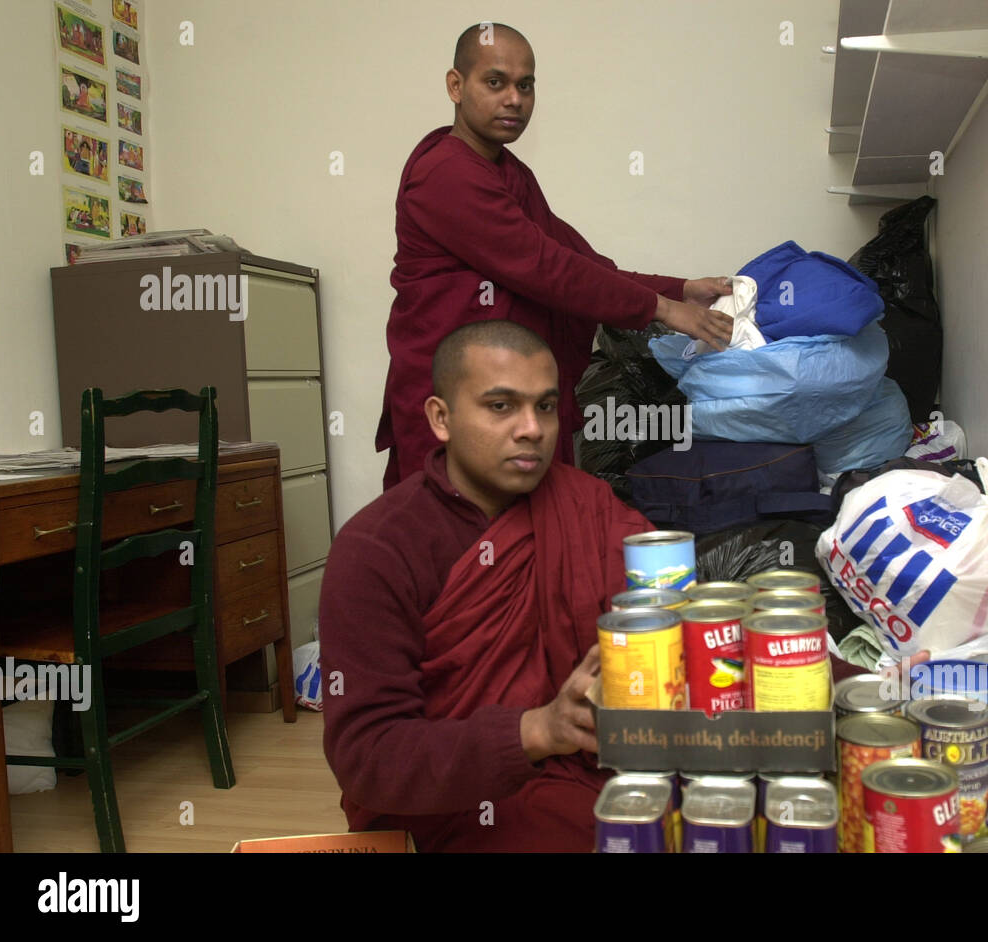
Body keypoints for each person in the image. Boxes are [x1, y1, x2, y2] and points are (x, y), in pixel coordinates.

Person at [322, 321, 865, 852]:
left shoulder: (586, 504)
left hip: (611, 762)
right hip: (467, 800)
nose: (532, 428)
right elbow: (367, 754)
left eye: (545, 406)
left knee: (779, 808)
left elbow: (698, 625)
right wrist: (536, 731)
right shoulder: (377, 547)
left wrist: (860, 686)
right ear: (441, 419)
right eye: (501, 406)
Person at [375, 21, 735, 492]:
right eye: (496, 82)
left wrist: (680, 289)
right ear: (456, 86)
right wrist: (666, 311)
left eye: (525, 86)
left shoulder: (510, 173)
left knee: (530, 544)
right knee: (459, 546)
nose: (514, 99)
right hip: (461, 402)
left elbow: (579, 261)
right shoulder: (446, 172)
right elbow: (545, 267)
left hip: (513, 400)